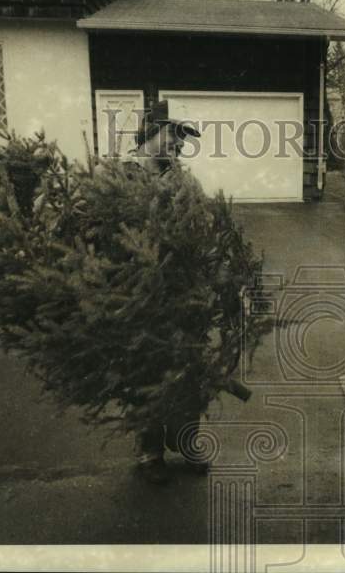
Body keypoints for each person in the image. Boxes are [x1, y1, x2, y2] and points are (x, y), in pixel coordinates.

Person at [125, 100, 210, 484]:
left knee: (188, 371)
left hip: (182, 294)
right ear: (149, 135)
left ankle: (188, 442)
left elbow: (204, 228)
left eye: (182, 138)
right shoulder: (122, 179)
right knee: (145, 370)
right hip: (138, 297)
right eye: (172, 135)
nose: (178, 144)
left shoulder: (184, 182)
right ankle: (150, 450)